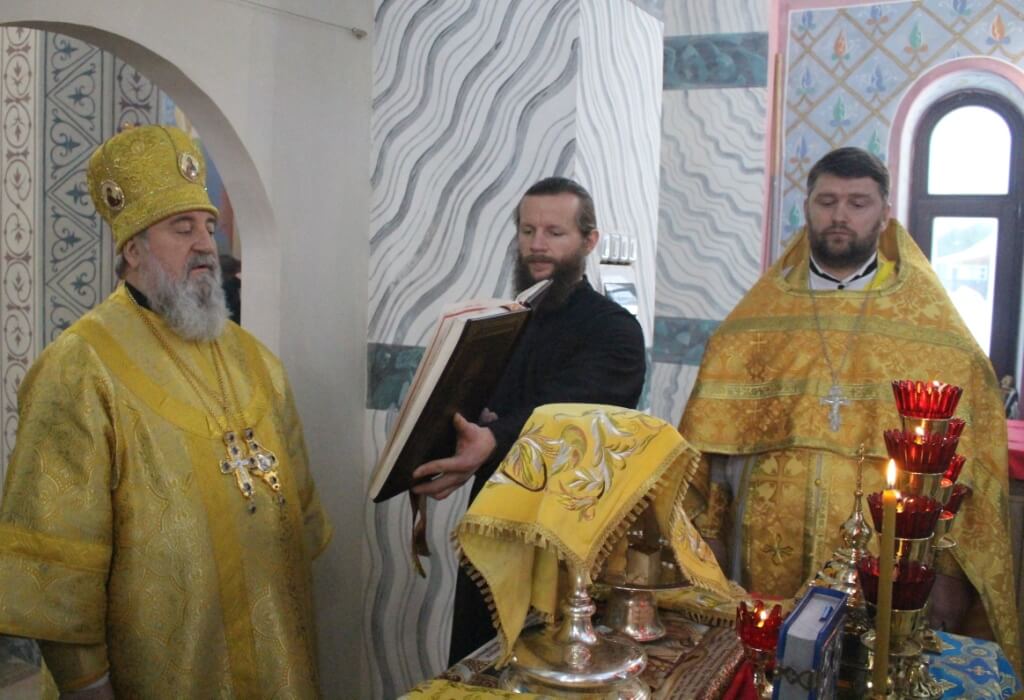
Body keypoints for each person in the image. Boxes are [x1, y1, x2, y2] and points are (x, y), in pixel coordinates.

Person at [0, 125, 331, 698]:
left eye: (208, 225)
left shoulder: (255, 361)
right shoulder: (80, 367)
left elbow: (301, 519)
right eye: (182, 228)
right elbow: (59, 561)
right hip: (165, 667)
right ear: (133, 248)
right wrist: (86, 683)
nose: (205, 243)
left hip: (276, 653)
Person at [678, 147, 1021, 671]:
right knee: (764, 673)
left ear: (884, 215)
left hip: (885, 555)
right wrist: (709, 541)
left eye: (858, 203)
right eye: (827, 201)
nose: (840, 215)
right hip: (762, 558)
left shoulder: (934, 332)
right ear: (807, 209)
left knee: (870, 675)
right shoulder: (751, 325)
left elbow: (963, 467)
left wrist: (949, 573)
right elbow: (713, 455)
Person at [411, 176, 647, 663]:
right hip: (493, 528)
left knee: (550, 668)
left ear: (589, 241)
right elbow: (475, 412)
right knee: (478, 662)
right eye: (527, 230)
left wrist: (492, 438)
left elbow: (566, 415)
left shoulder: (615, 330)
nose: (537, 245)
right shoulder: (506, 320)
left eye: (554, 233)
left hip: (566, 536)